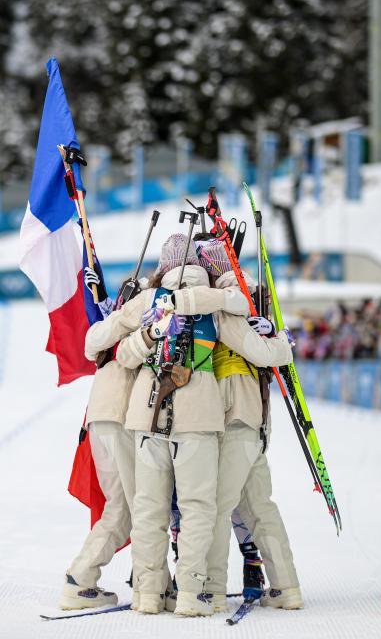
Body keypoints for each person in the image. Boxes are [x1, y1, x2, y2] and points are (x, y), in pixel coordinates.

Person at [87, 233, 250, 616]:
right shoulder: (216, 303)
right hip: (200, 418)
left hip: (147, 415)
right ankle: (191, 595)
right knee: (197, 507)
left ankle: (147, 594)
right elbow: (249, 333)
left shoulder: (149, 300)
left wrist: (147, 334)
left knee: (148, 508)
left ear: (163, 266)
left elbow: (109, 347)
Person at [197, 239, 302, 612]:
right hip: (252, 417)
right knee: (259, 507)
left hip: (236, 414)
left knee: (217, 505)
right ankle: (285, 587)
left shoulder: (227, 301)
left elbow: (260, 349)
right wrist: (273, 331)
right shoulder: (244, 296)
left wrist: (276, 339)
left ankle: (210, 586)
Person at [60, 270, 154, 611]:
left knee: (122, 507)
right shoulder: (129, 321)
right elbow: (92, 346)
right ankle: (150, 583)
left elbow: (91, 345)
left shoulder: (114, 322)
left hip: (101, 419)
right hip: (120, 417)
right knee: (139, 504)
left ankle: (81, 579)